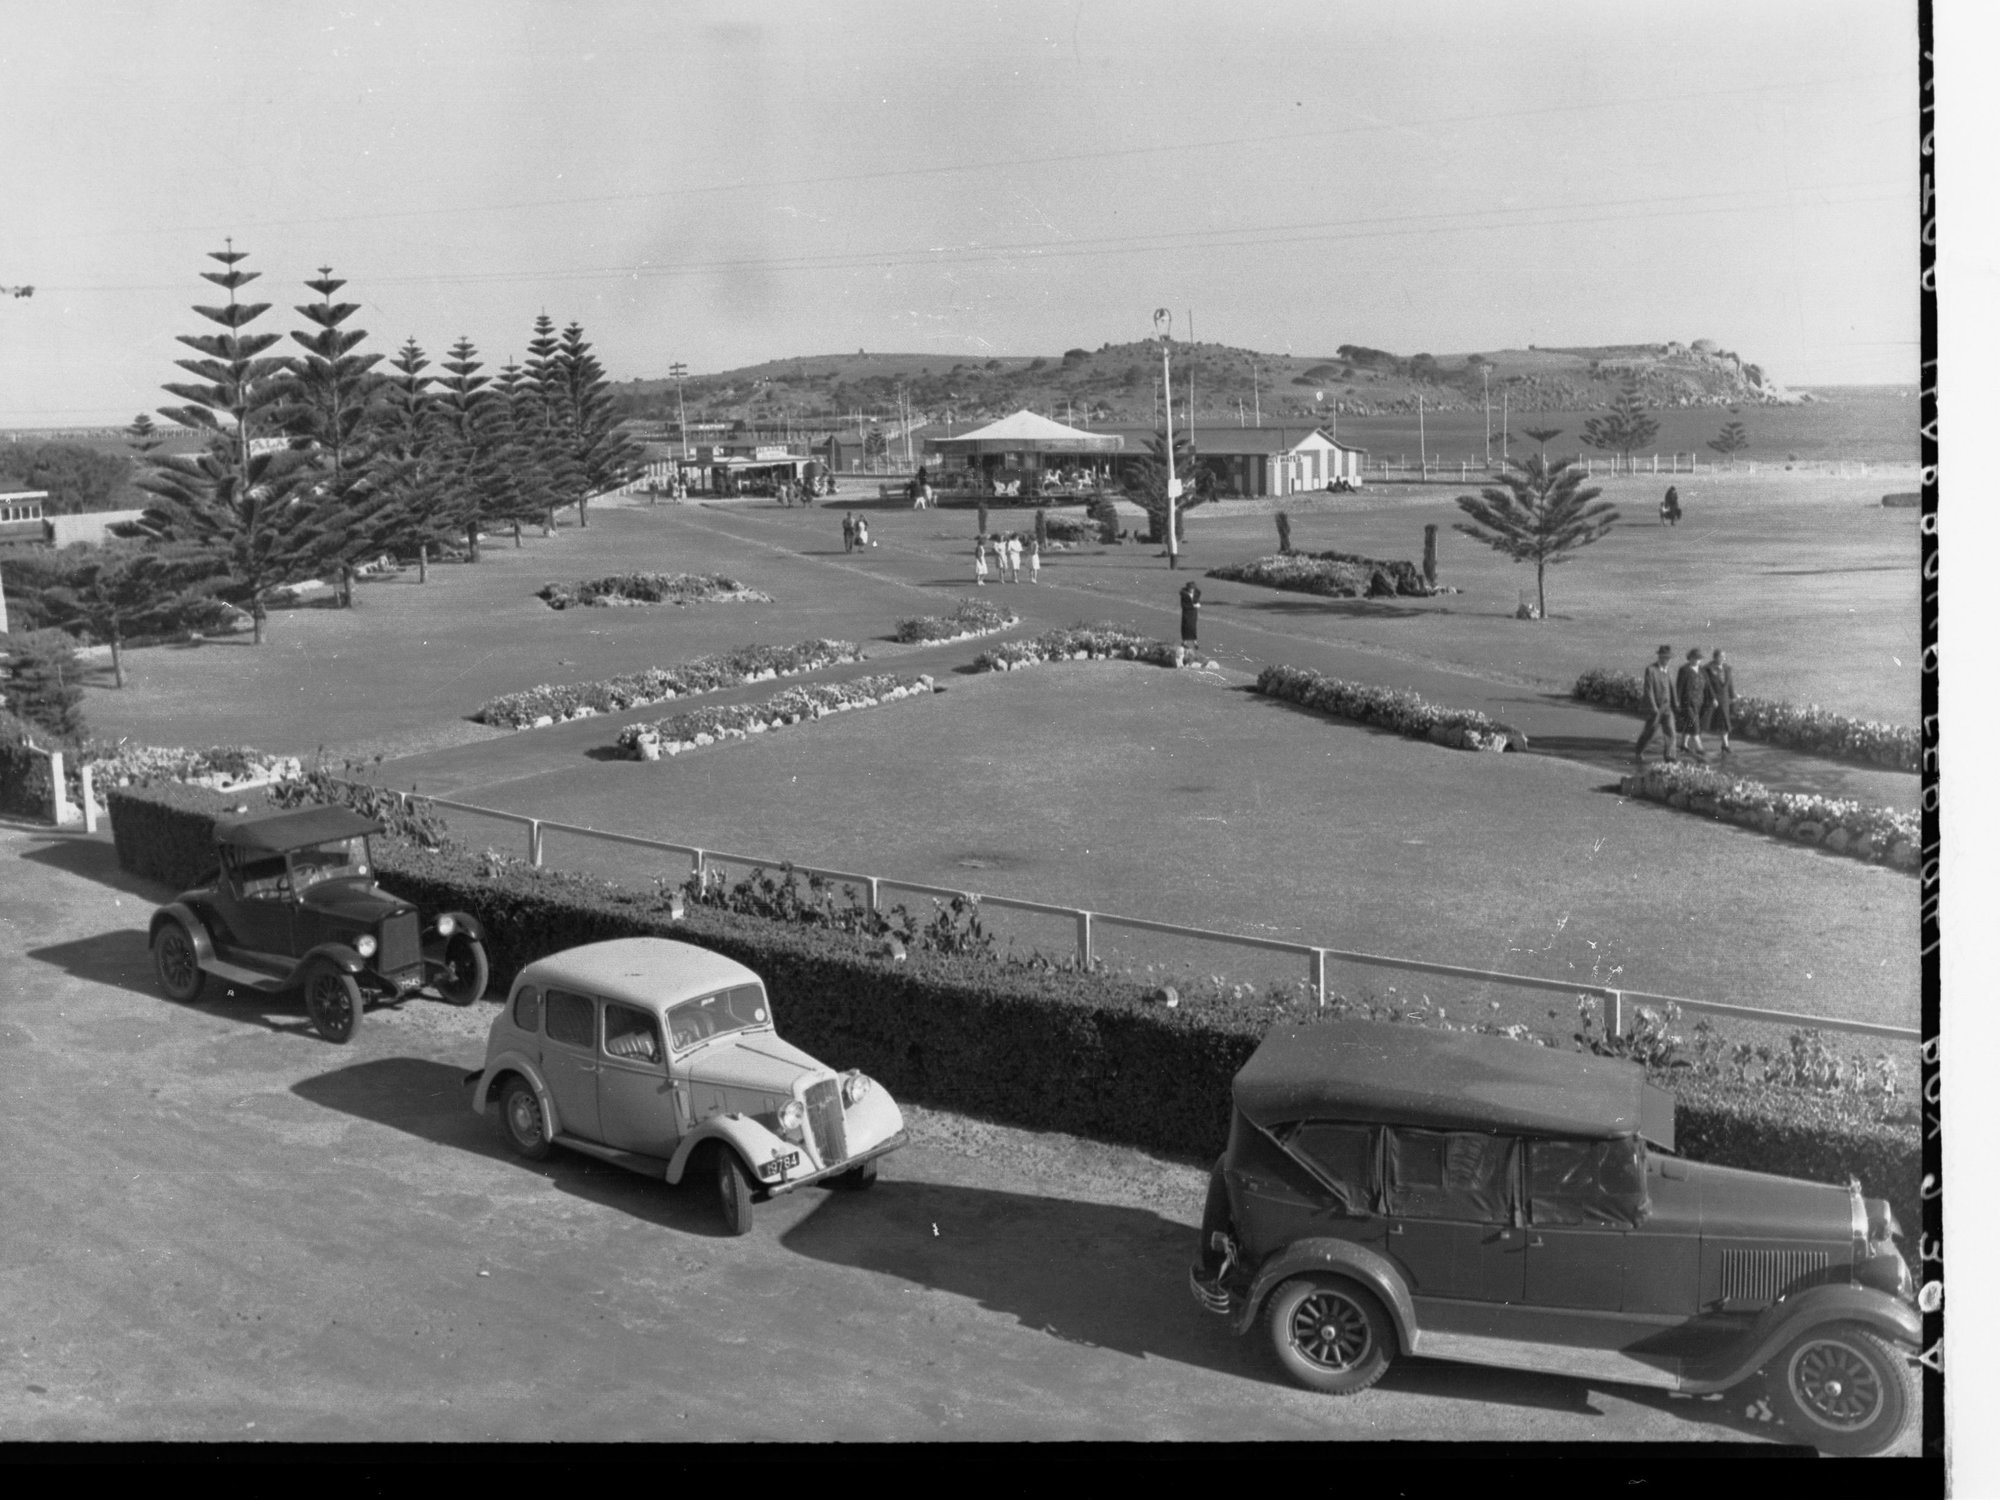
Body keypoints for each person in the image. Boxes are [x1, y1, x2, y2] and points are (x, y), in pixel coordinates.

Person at [1634, 645, 1678, 762]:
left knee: (1671, 732)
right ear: (1660, 657)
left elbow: (1672, 688)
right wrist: (1653, 707)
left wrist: (1676, 704)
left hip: (1667, 707)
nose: (1668, 660)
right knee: (1650, 732)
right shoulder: (1651, 670)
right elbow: (1649, 690)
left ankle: (1669, 758)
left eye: (1669, 658)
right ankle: (1639, 751)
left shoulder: (1670, 670)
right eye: (1666, 658)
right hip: (1656, 708)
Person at [1675, 647, 1709, 757]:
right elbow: (1679, 687)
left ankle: (1683, 744)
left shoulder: (1702, 670)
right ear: (1690, 658)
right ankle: (1699, 747)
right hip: (1688, 702)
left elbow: (1708, 685)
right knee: (1694, 723)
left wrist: (1712, 698)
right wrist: (1677, 701)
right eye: (1695, 658)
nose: (1697, 661)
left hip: (1699, 702)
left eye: (1699, 659)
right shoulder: (1684, 670)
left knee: (1690, 723)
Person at [1703, 648, 1736, 754]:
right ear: (1715, 657)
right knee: (1703, 722)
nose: (1723, 659)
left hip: (1725, 698)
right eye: (1720, 657)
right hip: (1714, 698)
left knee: (1725, 722)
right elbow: (1707, 686)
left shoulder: (1727, 668)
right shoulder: (1708, 669)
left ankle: (1725, 745)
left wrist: (1732, 696)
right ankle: (1686, 741)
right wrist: (1712, 698)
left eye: (1724, 657)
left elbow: (1730, 683)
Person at [1178, 580, 1202, 666]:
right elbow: (1183, 605)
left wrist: (1197, 604)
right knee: (1185, 626)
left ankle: (1195, 642)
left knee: (1193, 626)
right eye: (1190, 589)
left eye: (1193, 589)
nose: (1192, 590)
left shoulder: (1196, 593)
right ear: (1188, 588)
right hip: (1186, 612)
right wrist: (1193, 606)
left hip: (1193, 613)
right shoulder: (1184, 595)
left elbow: (1197, 601)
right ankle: (1184, 641)